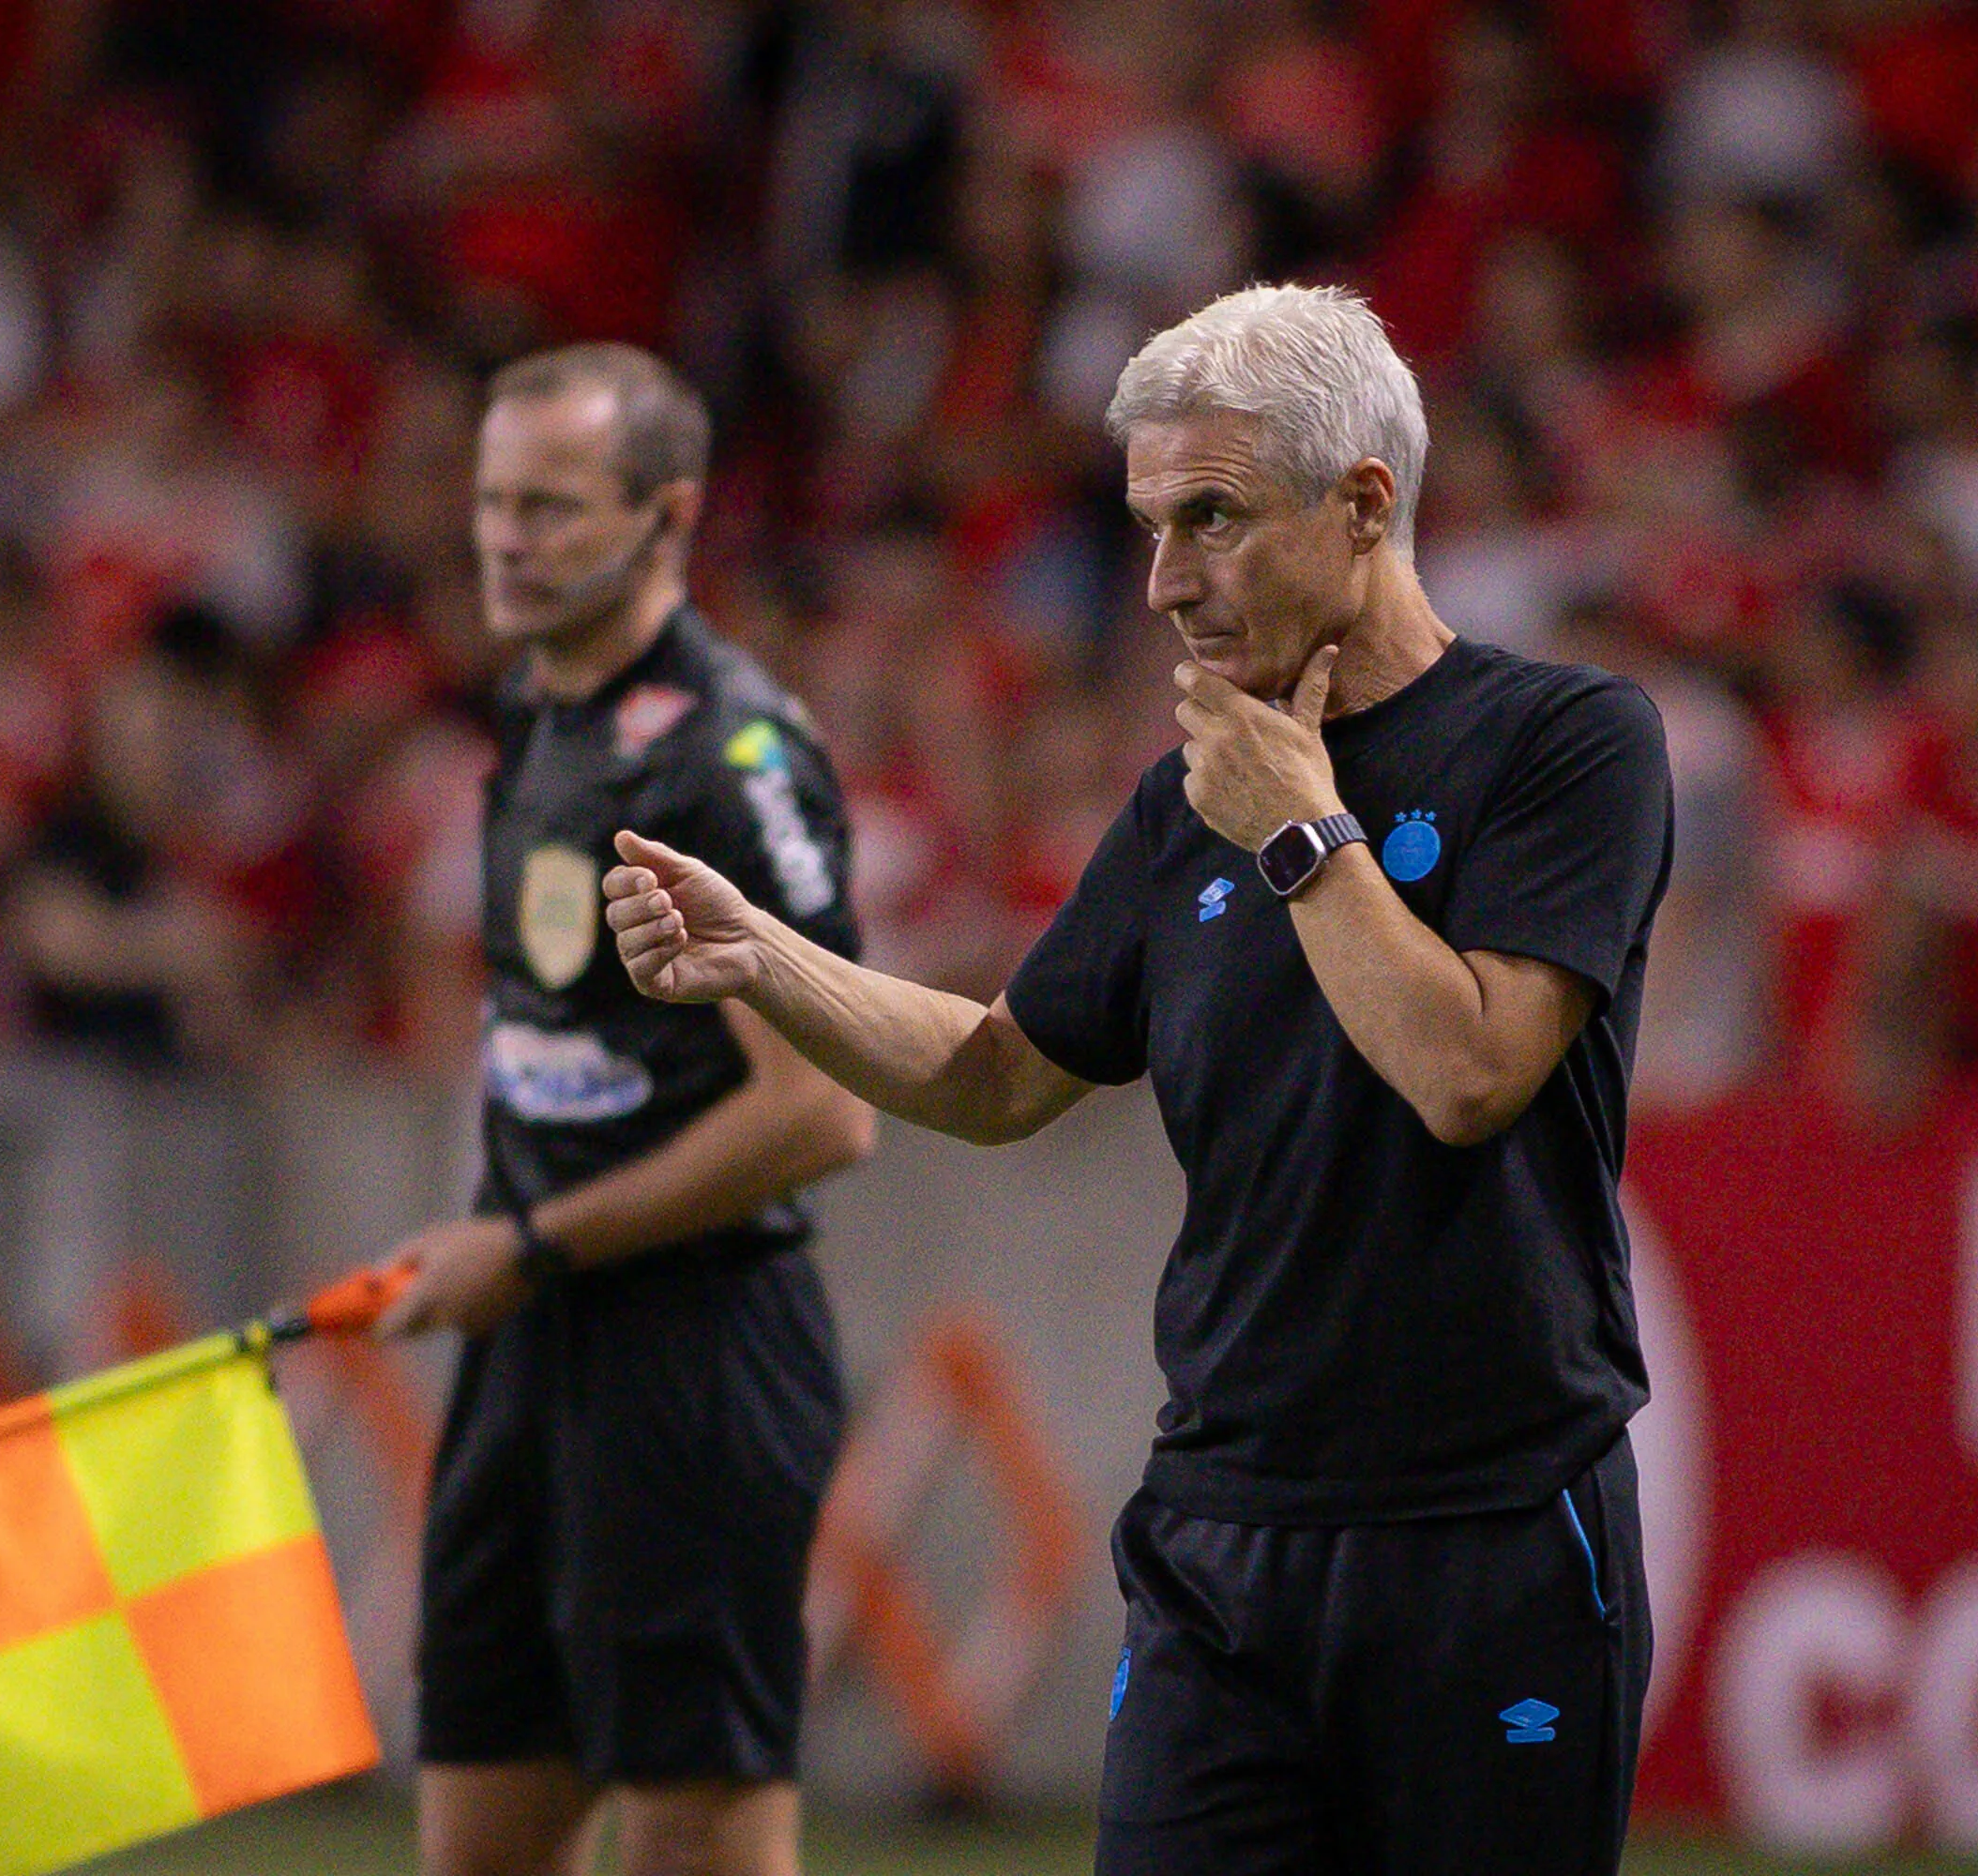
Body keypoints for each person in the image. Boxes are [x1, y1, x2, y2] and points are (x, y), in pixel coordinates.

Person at [605, 285, 1673, 1876]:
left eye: (1214, 520)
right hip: (1219, 1545)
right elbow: (997, 1073)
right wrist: (766, 956)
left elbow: (1467, 1073)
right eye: (1151, 529)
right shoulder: (1195, 804)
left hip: (1492, 1537)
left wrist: (1302, 832)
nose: (1166, 581)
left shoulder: (1565, 743)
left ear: (1364, 504)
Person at [372, 343, 875, 1876]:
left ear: (670, 515)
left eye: (550, 507)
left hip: (691, 1354)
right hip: (532, 1346)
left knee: (692, 1840)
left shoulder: (729, 756)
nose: (507, 540)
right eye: (489, 504)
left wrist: (527, 1241)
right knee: (476, 1833)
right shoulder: (533, 714)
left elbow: (824, 1118)